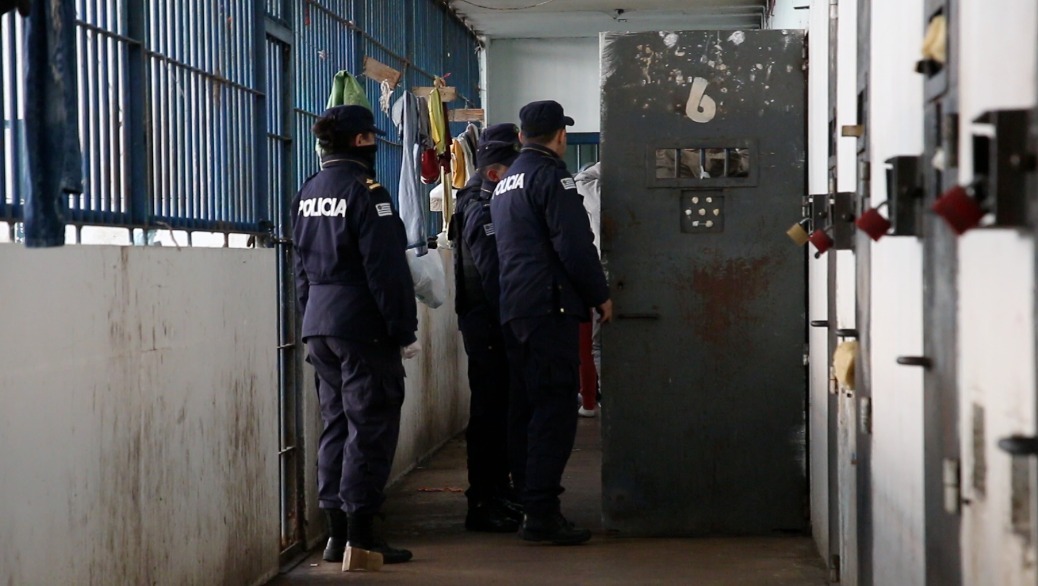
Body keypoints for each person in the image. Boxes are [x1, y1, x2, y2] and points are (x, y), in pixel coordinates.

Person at [292, 105, 419, 570]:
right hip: (363, 326)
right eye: (373, 138)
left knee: (336, 425)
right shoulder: (368, 193)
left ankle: (334, 536)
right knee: (371, 426)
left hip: (320, 325)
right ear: (363, 141)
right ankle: (362, 538)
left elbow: (300, 268)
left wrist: (313, 321)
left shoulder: (308, 190)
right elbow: (386, 271)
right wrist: (403, 328)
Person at [490, 100, 612, 545]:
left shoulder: (506, 183)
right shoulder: (551, 176)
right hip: (549, 307)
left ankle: (528, 499)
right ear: (560, 136)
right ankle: (541, 513)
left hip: (515, 306)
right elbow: (575, 244)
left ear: (522, 135)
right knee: (554, 410)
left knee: (524, 408)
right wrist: (600, 296)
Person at [450, 123, 526, 533]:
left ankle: (497, 489)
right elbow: (492, 271)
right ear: (496, 172)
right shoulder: (479, 206)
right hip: (487, 324)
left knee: (500, 410)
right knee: (490, 414)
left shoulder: (485, 198)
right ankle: (482, 501)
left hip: (489, 322)